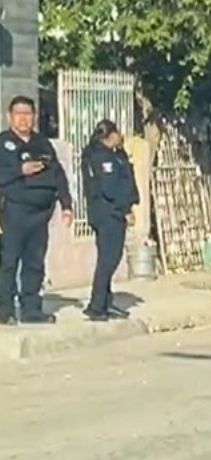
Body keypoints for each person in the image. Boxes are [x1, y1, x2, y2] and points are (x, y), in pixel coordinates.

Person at [0, 96, 73, 326]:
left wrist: (67, 205)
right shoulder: (3, 143)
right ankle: (5, 310)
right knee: (8, 262)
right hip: (13, 211)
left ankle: (31, 309)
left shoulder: (42, 144)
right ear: (9, 116)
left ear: (34, 116)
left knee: (34, 262)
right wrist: (20, 169)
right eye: (18, 113)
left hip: (40, 214)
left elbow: (58, 174)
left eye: (28, 113)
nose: (23, 118)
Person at [81, 119, 139, 321]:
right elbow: (110, 188)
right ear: (109, 135)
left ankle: (105, 301)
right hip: (109, 214)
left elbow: (123, 173)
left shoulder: (110, 155)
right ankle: (97, 305)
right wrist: (125, 209)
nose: (120, 137)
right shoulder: (100, 157)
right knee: (109, 260)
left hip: (106, 212)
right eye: (118, 134)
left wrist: (121, 151)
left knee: (109, 258)